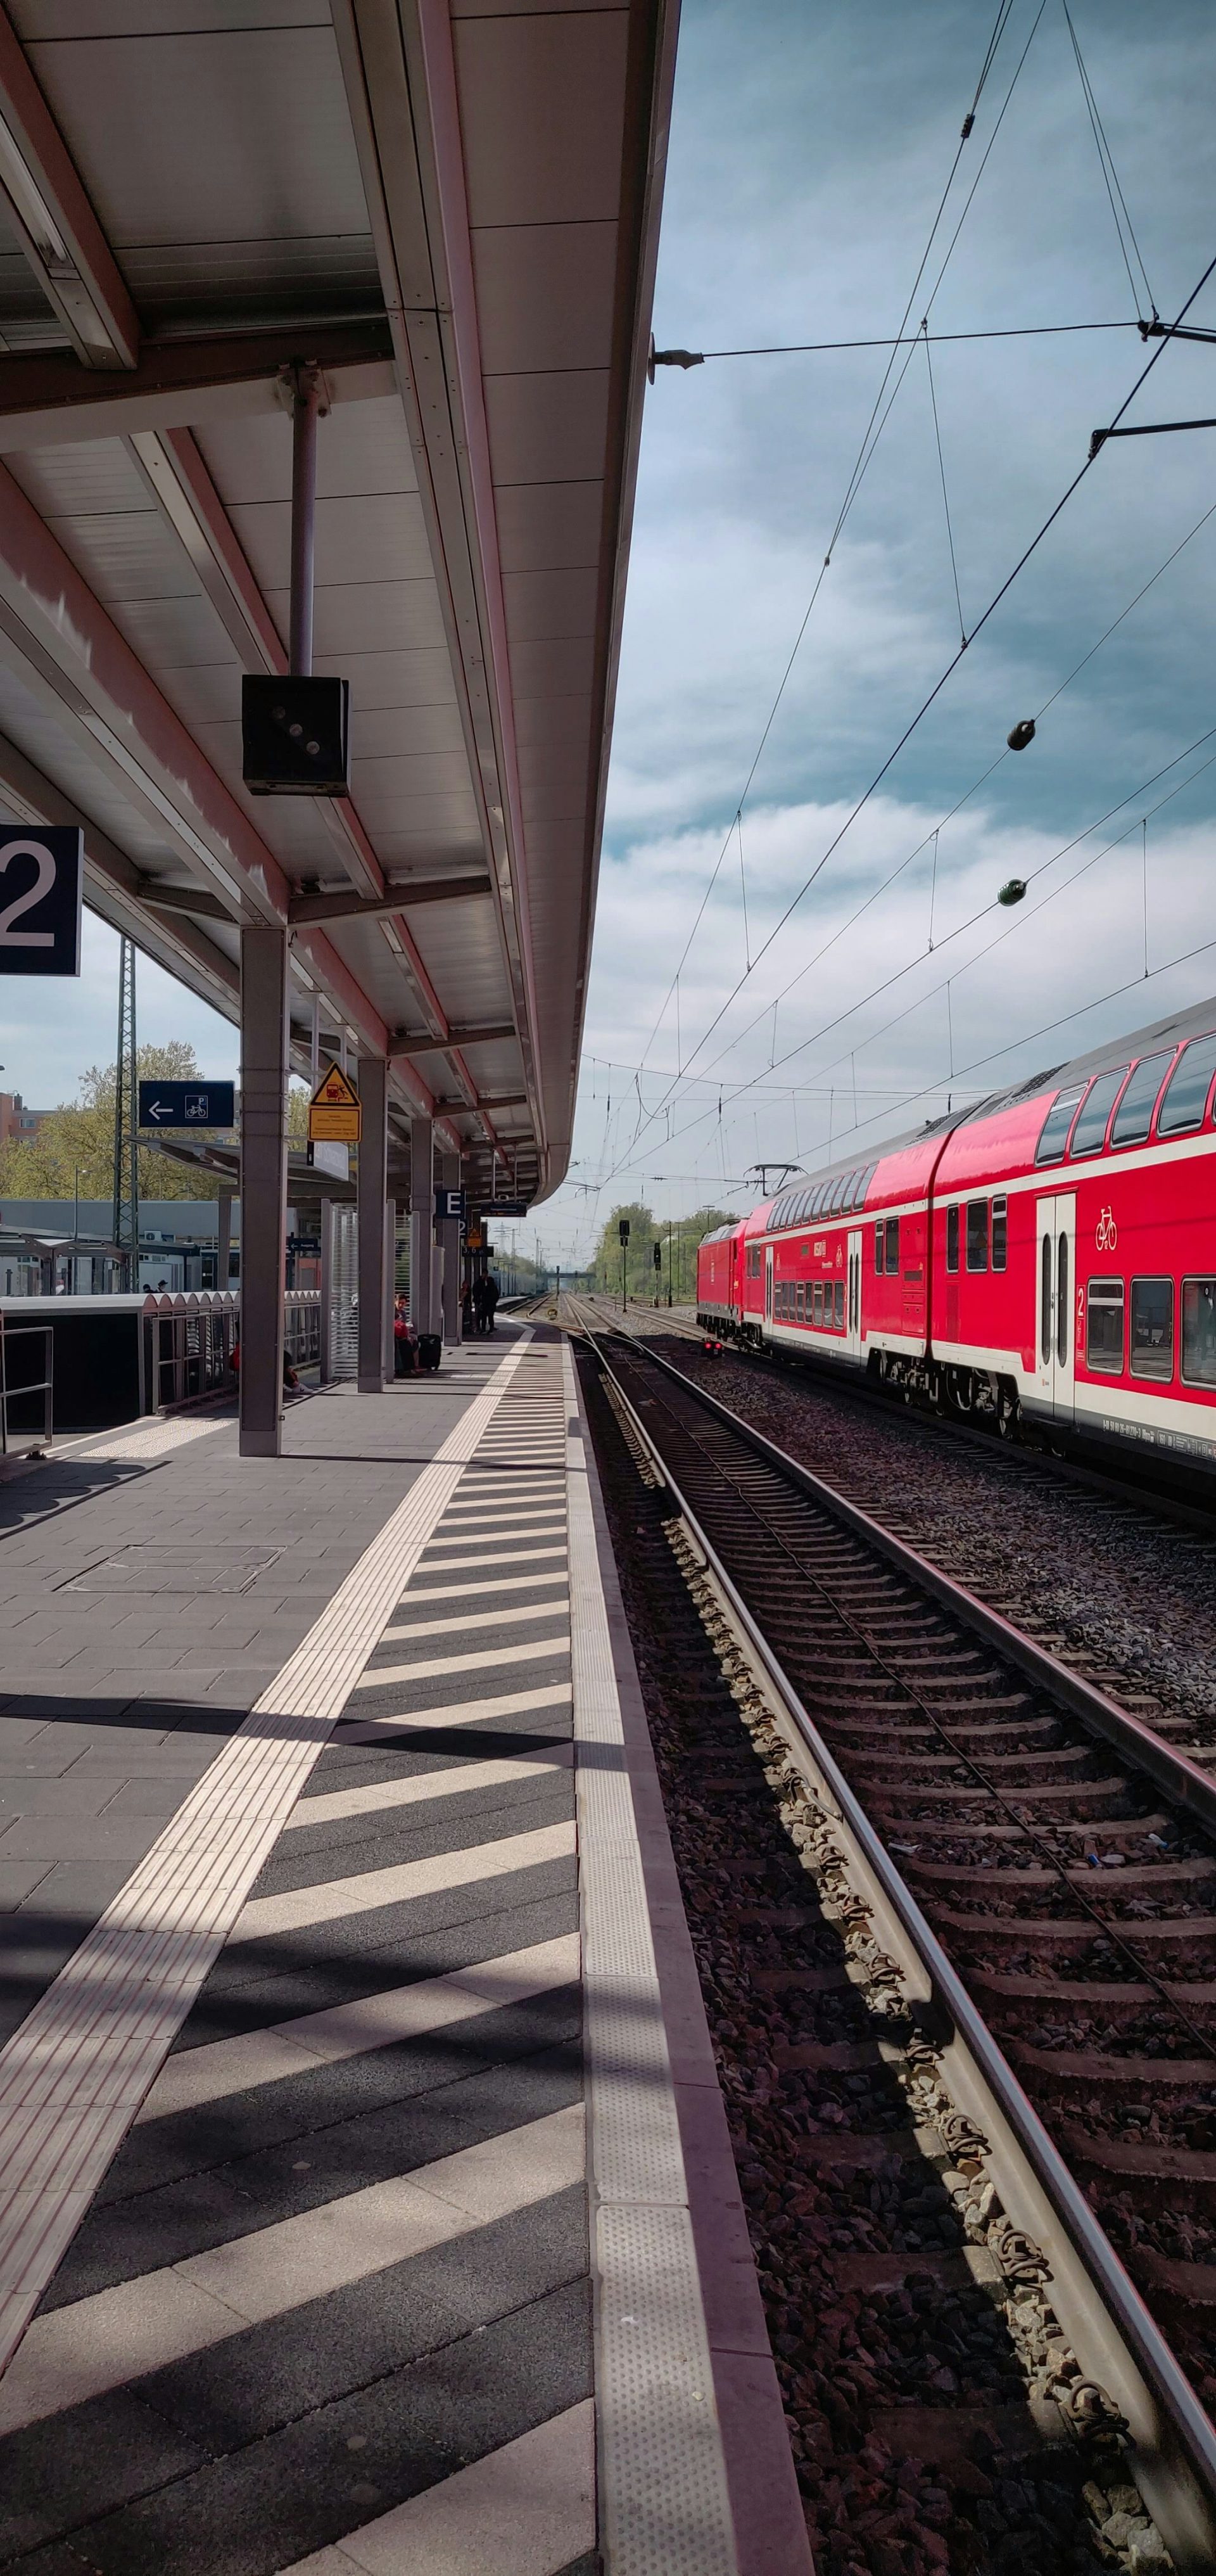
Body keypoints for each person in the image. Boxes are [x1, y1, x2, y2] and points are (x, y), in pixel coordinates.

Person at [483, 1270, 500, 1334]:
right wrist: (494, 1302)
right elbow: (497, 1296)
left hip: (487, 1305)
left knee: (484, 1317)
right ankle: (491, 1328)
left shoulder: (487, 1288)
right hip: (492, 1305)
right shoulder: (494, 1288)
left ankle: (484, 1328)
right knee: (491, 1317)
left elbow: (484, 1296)